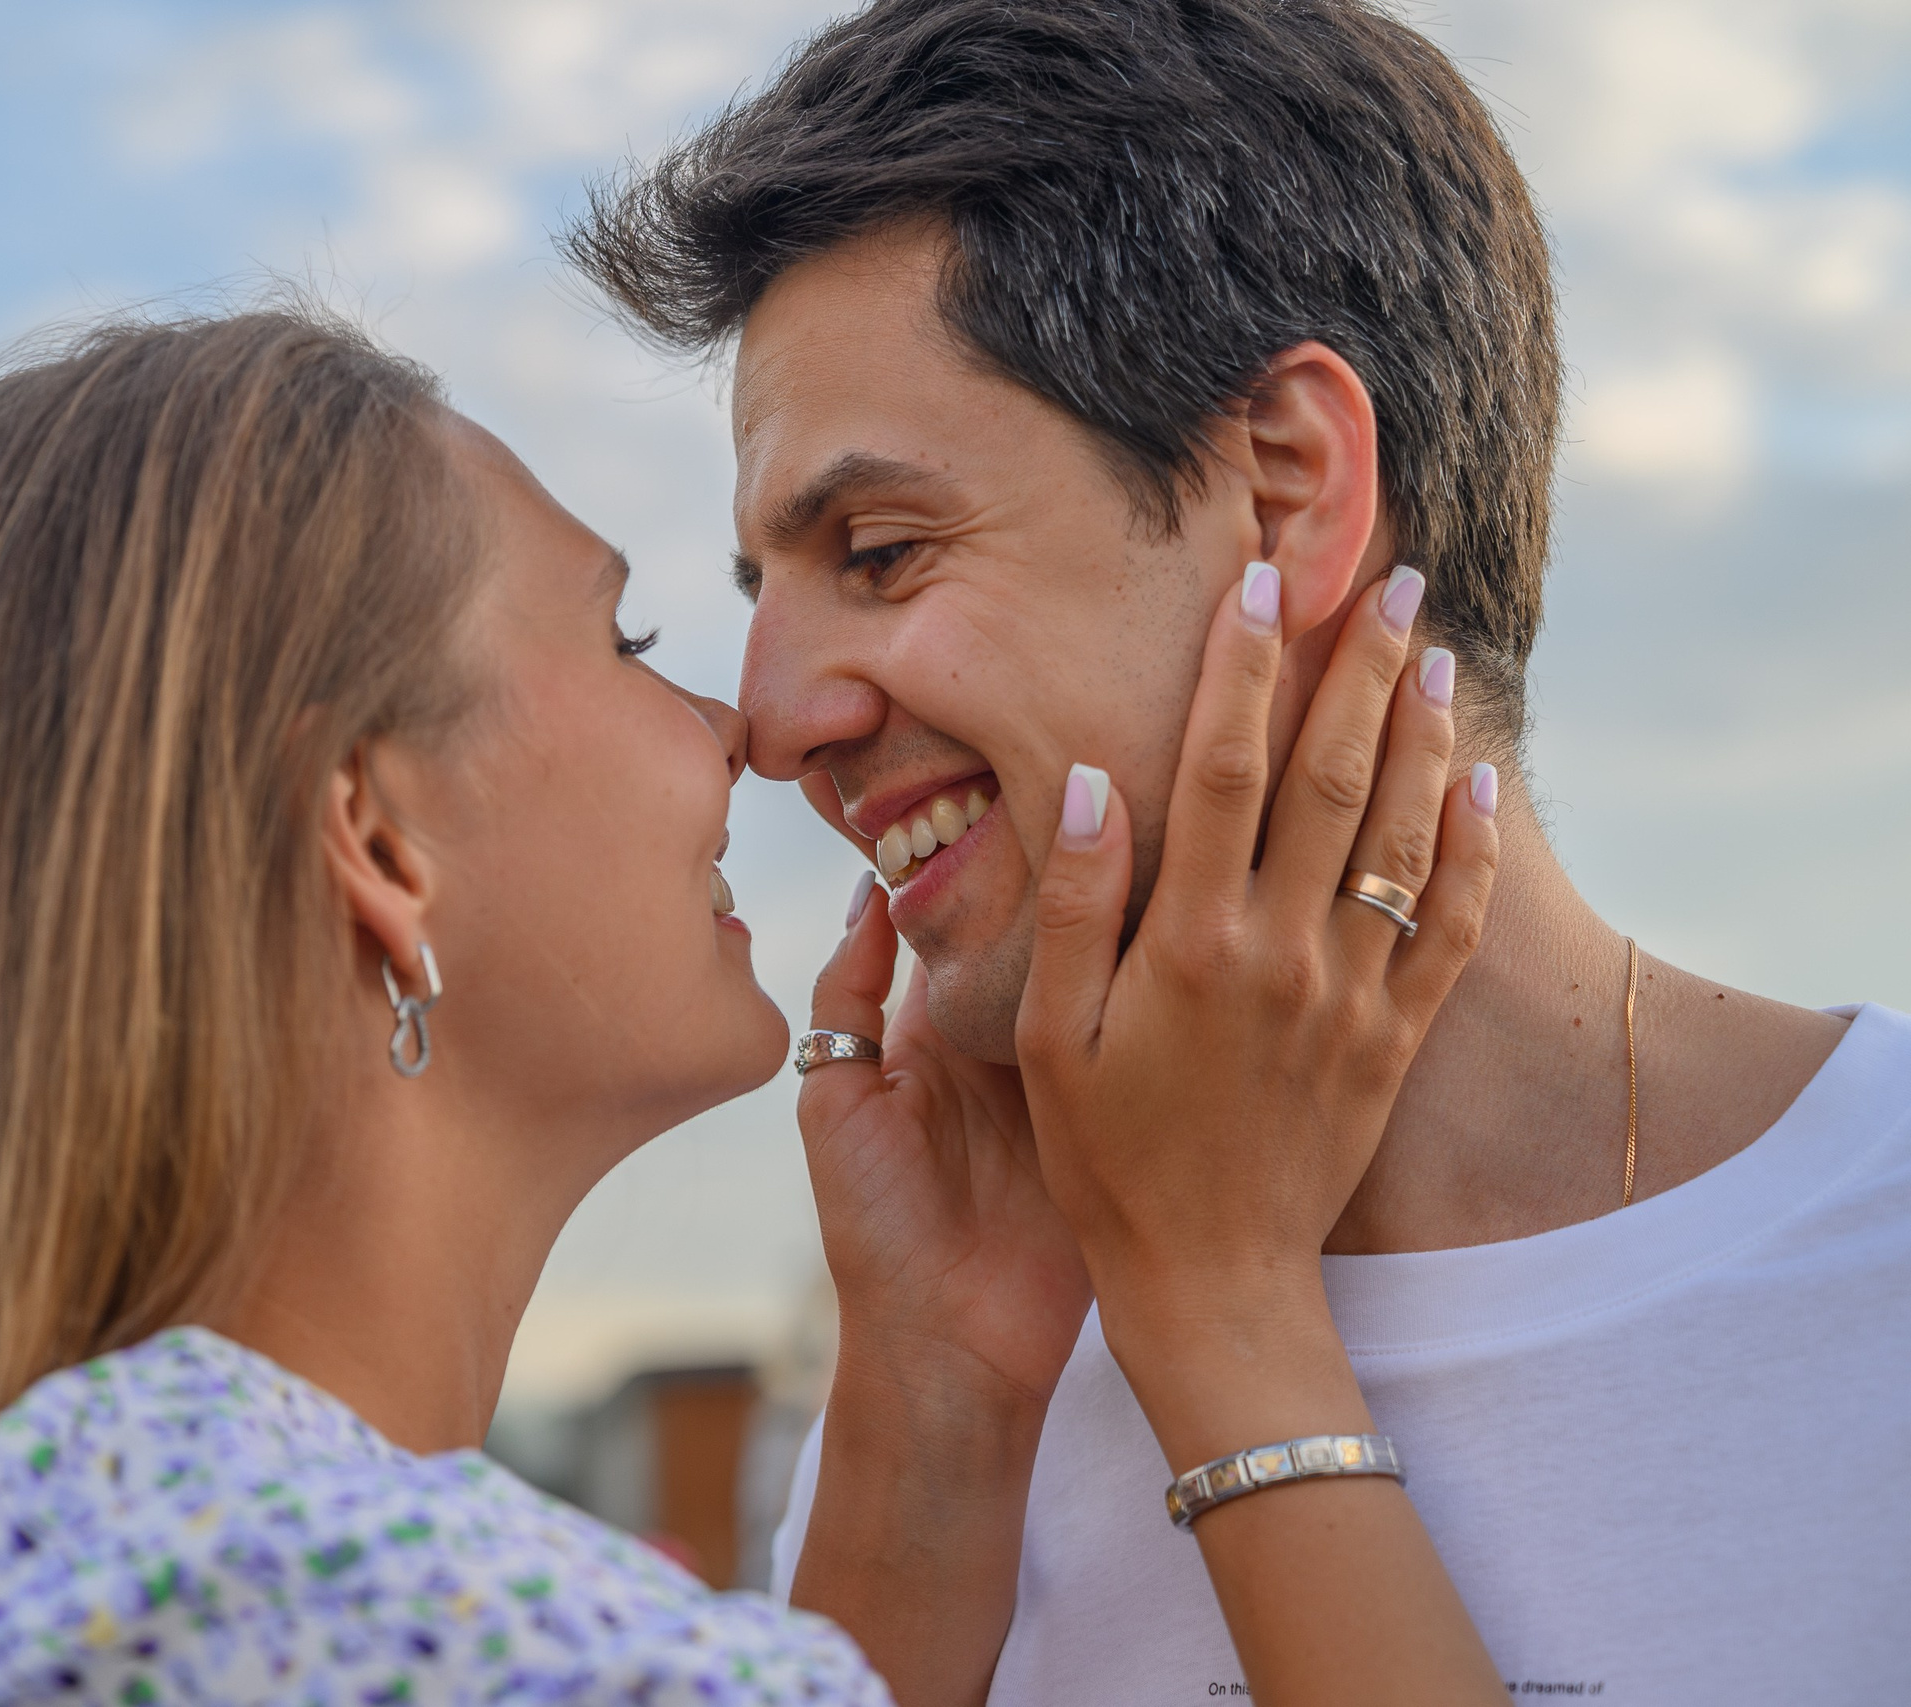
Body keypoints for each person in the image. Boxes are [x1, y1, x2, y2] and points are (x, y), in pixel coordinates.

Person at [0, 306, 1506, 1707]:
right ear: (372, 834)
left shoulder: (156, 1528)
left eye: (880, 553)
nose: (743, 722)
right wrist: (1228, 1306)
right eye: (625, 632)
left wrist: (941, 1394)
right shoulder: (281, 1584)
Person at [568, 0, 1911, 1700]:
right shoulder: (946, 1391)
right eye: (770, 592)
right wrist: (941, 1420)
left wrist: (1219, 1321)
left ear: (1285, 489)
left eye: (884, 550)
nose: (769, 724)